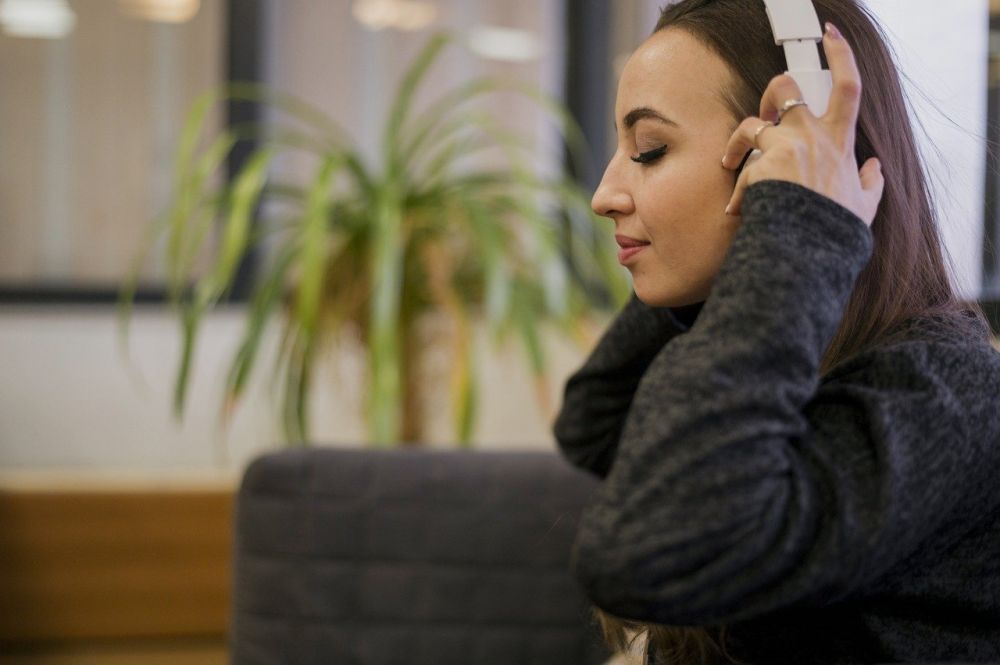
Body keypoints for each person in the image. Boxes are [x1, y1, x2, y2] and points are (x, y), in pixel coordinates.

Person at [552, 0, 1000, 663]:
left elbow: (646, 551)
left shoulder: (948, 395)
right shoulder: (789, 337)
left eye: (650, 150)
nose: (604, 194)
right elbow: (594, 420)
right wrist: (755, 256)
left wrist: (794, 226)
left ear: (785, 152)